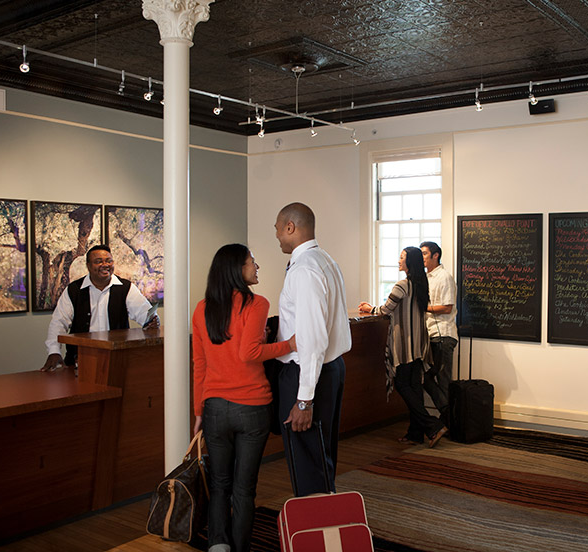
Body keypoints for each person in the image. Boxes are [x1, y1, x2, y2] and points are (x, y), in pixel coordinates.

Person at [191, 244, 296, 552]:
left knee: (220, 484)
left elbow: (200, 364)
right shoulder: (256, 303)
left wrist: (199, 409)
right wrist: (289, 344)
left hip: (214, 408)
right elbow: (249, 353)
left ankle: (218, 545)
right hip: (251, 407)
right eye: (252, 262)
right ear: (238, 269)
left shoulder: (202, 308)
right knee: (243, 488)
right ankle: (240, 547)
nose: (257, 266)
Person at [274, 202, 352, 496]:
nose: (278, 236)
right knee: (320, 455)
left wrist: (304, 400)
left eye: (278, 229)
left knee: (307, 460)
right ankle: (327, 522)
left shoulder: (305, 269)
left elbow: (312, 338)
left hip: (308, 374)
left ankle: (318, 532)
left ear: (290, 227)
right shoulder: (325, 260)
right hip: (329, 369)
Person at [358, 247, 448, 448]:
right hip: (418, 345)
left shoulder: (402, 285)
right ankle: (416, 434)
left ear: (410, 262)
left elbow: (384, 310)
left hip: (405, 345)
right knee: (414, 387)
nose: (399, 261)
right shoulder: (420, 284)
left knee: (401, 384)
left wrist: (368, 308)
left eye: (402, 258)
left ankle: (432, 426)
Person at [42, 244, 159, 371]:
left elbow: (145, 314)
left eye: (109, 261)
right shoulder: (73, 290)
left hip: (117, 361)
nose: (105, 265)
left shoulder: (126, 288)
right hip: (80, 361)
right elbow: (58, 322)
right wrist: (54, 351)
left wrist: (151, 321)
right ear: (88, 266)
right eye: (98, 261)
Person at [420, 241, 458, 424]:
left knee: (443, 380)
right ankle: (448, 419)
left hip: (443, 335)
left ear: (436, 255)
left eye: (425, 254)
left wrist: (422, 307)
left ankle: (449, 422)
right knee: (424, 377)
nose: (422, 258)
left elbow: (447, 307)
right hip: (430, 336)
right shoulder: (426, 278)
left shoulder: (444, 277)